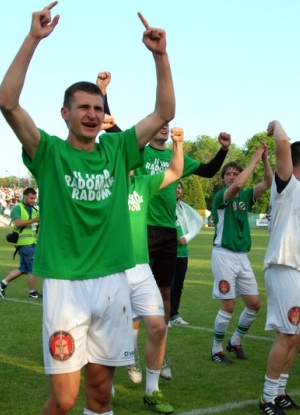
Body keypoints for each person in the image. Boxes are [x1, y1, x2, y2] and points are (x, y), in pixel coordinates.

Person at [0, 3, 175, 414]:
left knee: (99, 394)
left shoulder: (118, 148)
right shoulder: (48, 152)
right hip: (65, 285)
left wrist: (160, 56)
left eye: (98, 108)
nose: (93, 114)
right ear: (66, 113)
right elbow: (7, 102)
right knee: (62, 401)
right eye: (84, 108)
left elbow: (164, 113)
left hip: (113, 282)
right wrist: (32, 40)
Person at [98, 71, 230, 380]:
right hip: (141, 231)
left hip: (168, 232)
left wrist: (223, 149)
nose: (165, 126)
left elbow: (210, 171)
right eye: (161, 123)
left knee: (165, 295)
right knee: (132, 300)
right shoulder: (139, 151)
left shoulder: (177, 158)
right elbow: (111, 124)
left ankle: (161, 355)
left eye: (168, 124)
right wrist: (102, 91)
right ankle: (130, 357)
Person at [124, 126, 183, 414]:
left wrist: (179, 144)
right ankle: (105, 381)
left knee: (158, 326)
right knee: (106, 331)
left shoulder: (143, 184)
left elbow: (174, 171)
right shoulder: (107, 186)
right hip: (113, 269)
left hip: (142, 268)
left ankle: (152, 390)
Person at [258, 121, 300, 415]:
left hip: (299, 269)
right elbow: (283, 144)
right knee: (286, 333)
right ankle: (267, 398)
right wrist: (276, 125)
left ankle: (280, 391)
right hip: (283, 267)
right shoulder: (288, 183)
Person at [211, 142, 272, 366]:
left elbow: (268, 182)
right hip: (224, 255)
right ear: (223, 178)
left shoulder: (245, 196)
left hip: (242, 257)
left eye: (235, 173)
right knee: (228, 305)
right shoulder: (221, 197)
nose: (232, 176)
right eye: (228, 173)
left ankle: (235, 341)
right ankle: (216, 348)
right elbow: (238, 186)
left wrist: (265, 159)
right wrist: (254, 158)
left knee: (254, 304)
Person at [169, 181, 203, 326]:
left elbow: (196, 222)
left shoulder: (184, 208)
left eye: (179, 187)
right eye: (174, 187)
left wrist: (187, 237)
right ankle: (162, 315)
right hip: (168, 252)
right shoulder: (165, 207)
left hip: (183, 252)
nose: (177, 190)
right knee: (166, 285)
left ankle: (174, 315)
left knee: (178, 285)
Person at [0, 187, 42, 299]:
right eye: (31, 198)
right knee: (32, 267)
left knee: (23, 268)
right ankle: (33, 292)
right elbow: (18, 223)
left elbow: (35, 226)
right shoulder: (18, 208)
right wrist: (34, 220)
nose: (33, 200)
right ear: (25, 196)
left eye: (34, 198)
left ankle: (2, 284)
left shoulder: (33, 210)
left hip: (31, 242)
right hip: (24, 243)